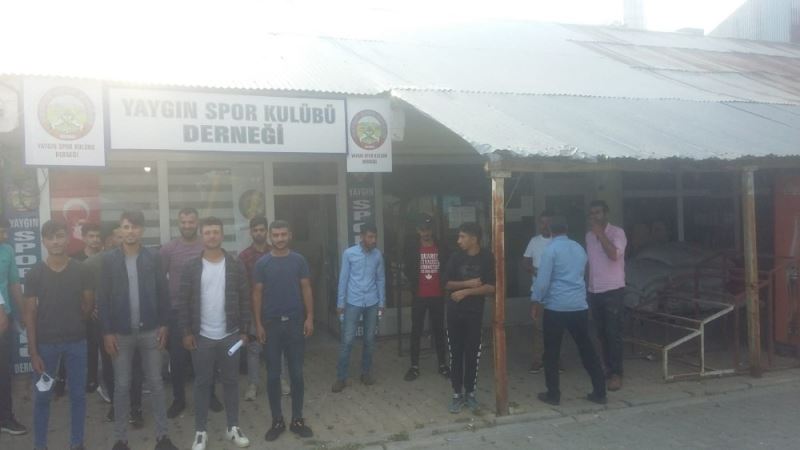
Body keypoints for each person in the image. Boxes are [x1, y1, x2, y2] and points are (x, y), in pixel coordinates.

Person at [97, 211, 177, 450]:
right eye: (126, 227)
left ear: (142, 230)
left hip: (151, 331)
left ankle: (163, 437)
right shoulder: (108, 260)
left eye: (134, 227)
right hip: (120, 334)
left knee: (156, 384)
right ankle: (120, 440)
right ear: (120, 231)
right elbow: (103, 298)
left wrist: (165, 324)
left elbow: (163, 293)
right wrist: (107, 332)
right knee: (122, 386)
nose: (130, 231)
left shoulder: (153, 257)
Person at [178, 217, 251, 450]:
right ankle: (201, 432)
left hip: (230, 335)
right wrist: (186, 332)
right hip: (201, 336)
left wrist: (245, 330)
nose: (212, 236)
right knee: (202, 384)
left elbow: (245, 298)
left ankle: (233, 427)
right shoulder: (190, 266)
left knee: (231, 382)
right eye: (208, 232)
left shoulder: (235, 264)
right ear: (202, 235)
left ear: (222, 234)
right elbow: (183, 302)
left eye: (216, 232)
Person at [23, 220, 93, 450]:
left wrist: (76, 321)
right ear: (43, 241)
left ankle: (77, 443)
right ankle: (40, 445)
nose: (56, 242)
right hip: (46, 346)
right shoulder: (35, 274)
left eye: (60, 236)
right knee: (42, 397)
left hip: (77, 343)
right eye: (50, 237)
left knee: (78, 396)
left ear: (68, 238)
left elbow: (88, 304)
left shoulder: (81, 270)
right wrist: (33, 352)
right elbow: (30, 314)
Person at [531, 216, 607, 406]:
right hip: (578, 306)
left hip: (556, 307)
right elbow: (583, 273)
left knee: (551, 352)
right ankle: (600, 392)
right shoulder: (578, 248)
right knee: (586, 348)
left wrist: (536, 301)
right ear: (566, 229)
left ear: (551, 230)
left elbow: (543, 281)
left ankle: (553, 394)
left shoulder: (550, 250)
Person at [253, 220, 315, 442]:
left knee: (297, 374)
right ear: (270, 236)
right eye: (276, 235)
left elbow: (306, 288)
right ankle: (277, 420)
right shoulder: (262, 263)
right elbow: (257, 294)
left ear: (290, 235)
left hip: (295, 324)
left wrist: (310, 317)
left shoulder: (299, 260)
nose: (279, 239)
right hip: (271, 325)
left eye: (283, 234)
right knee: (272, 376)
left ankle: (297, 419)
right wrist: (258, 324)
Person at [160, 208, 221, 417]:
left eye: (191, 222)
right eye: (183, 222)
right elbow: (160, 281)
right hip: (177, 311)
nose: (187, 226)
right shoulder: (169, 249)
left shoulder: (206, 246)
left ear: (197, 223)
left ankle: (210, 395)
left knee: (207, 358)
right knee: (177, 359)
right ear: (178, 224)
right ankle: (178, 400)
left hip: (205, 311)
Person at [85, 223, 144, 426]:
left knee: (134, 366)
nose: (125, 238)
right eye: (119, 236)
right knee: (110, 367)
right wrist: (90, 307)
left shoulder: (137, 259)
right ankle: (115, 405)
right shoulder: (93, 263)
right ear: (108, 240)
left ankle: (136, 407)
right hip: (106, 325)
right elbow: (82, 291)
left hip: (133, 323)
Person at [443, 222, 495, 413]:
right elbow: (446, 283)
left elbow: (491, 287)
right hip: (454, 313)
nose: (459, 241)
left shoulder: (487, 257)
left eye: (462, 237)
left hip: (474, 314)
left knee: (473, 354)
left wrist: (466, 292)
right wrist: (468, 283)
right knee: (455, 354)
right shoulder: (455, 257)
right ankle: (457, 394)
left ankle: (470, 393)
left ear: (474, 239)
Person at [331, 223, 385, 393]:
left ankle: (365, 373)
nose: (373, 240)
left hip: (372, 302)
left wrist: (382, 303)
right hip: (353, 302)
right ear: (361, 237)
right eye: (370, 237)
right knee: (347, 341)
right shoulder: (349, 253)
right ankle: (341, 378)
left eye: (375, 237)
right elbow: (343, 279)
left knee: (369, 340)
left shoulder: (377, 255)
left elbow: (380, 279)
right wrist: (340, 303)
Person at [586, 200, 628, 392]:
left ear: (606, 213)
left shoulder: (617, 233)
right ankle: (607, 369)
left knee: (613, 333)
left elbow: (614, 255)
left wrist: (601, 234)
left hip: (613, 290)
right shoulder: (588, 236)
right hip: (594, 290)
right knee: (600, 333)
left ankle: (616, 374)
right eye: (592, 213)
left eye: (598, 212)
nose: (595, 216)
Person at [402, 213, 449, 381]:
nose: (426, 233)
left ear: (432, 229)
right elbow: (407, 267)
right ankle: (414, 366)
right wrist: (414, 282)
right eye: (422, 229)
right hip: (419, 296)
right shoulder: (412, 247)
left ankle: (443, 365)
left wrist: (444, 282)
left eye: (428, 229)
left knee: (439, 330)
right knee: (416, 330)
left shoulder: (441, 246)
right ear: (417, 230)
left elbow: (447, 266)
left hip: (437, 295)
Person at [0, 217, 28, 437]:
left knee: (3, 370)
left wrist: (24, 310)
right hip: (1, 315)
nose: (5, 236)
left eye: (6, 232)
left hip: (4, 319)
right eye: (1, 232)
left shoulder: (7, 250)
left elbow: (14, 283)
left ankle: (5, 417)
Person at [237, 216, 270, 401]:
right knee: (253, 348)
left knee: (277, 346)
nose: (258, 233)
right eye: (255, 230)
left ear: (266, 231)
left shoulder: (274, 252)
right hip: (252, 309)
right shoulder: (244, 256)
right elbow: (241, 286)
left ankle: (281, 380)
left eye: (261, 230)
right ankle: (253, 384)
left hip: (273, 308)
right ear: (251, 232)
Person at [522, 210, 553, 374]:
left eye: (548, 222)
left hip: (557, 293)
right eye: (542, 222)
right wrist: (534, 270)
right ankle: (538, 360)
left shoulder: (560, 241)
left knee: (557, 327)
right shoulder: (534, 241)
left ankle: (555, 359)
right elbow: (525, 262)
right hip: (538, 292)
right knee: (538, 328)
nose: (545, 225)